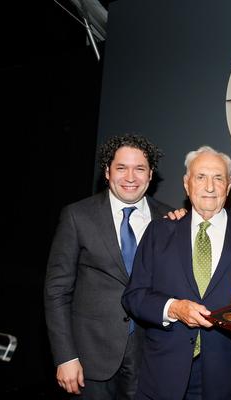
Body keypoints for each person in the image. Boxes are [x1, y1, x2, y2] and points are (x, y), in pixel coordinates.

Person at [122, 146, 231, 400]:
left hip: (224, 378)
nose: (209, 186)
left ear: (228, 186)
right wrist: (173, 308)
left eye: (218, 178)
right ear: (186, 184)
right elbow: (134, 296)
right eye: (200, 177)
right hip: (163, 375)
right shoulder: (159, 232)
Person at [44, 134, 173, 398]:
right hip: (89, 358)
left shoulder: (169, 220)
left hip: (150, 357)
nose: (130, 177)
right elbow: (56, 291)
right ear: (106, 172)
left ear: (150, 176)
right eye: (121, 167)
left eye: (140, 169)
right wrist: (65, 357)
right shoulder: (77, 216)